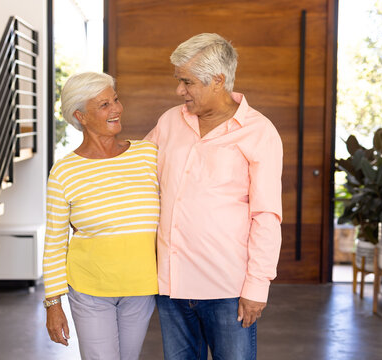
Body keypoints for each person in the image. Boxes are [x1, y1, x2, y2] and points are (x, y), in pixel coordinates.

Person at [145, 33, 283, 359]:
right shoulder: (169, 121)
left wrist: (257, 287)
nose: (179, 90)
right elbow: (137, 172)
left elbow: (266, 216)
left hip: (227, 290)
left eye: (187, 82)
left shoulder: (259, 131)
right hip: (172, 287)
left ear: (217, 81)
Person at [42, 72, 159, 360]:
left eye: (115, 100)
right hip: (89, 289)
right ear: (80, 116)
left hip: (141, 287)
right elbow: (55, 243)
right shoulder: (64, 172)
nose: (116, 109)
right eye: (104, 105)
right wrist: (53, 304)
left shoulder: (148, 155)